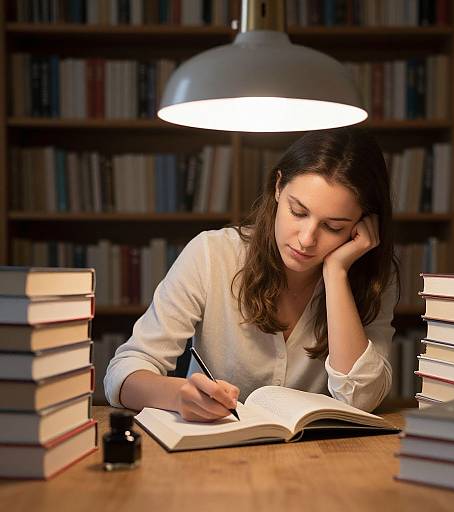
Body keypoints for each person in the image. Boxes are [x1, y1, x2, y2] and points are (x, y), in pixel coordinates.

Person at [104, 127, 399, 422]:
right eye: (298, 212)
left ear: (362, 226)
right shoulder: (212, 254)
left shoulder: (370, 279)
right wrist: (178, 395)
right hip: (212, 455)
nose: (307, 239)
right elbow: (123, 373)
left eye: (333, 227)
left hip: (317, 459)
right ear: (278, 187)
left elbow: (361, 399)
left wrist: (336, 274)